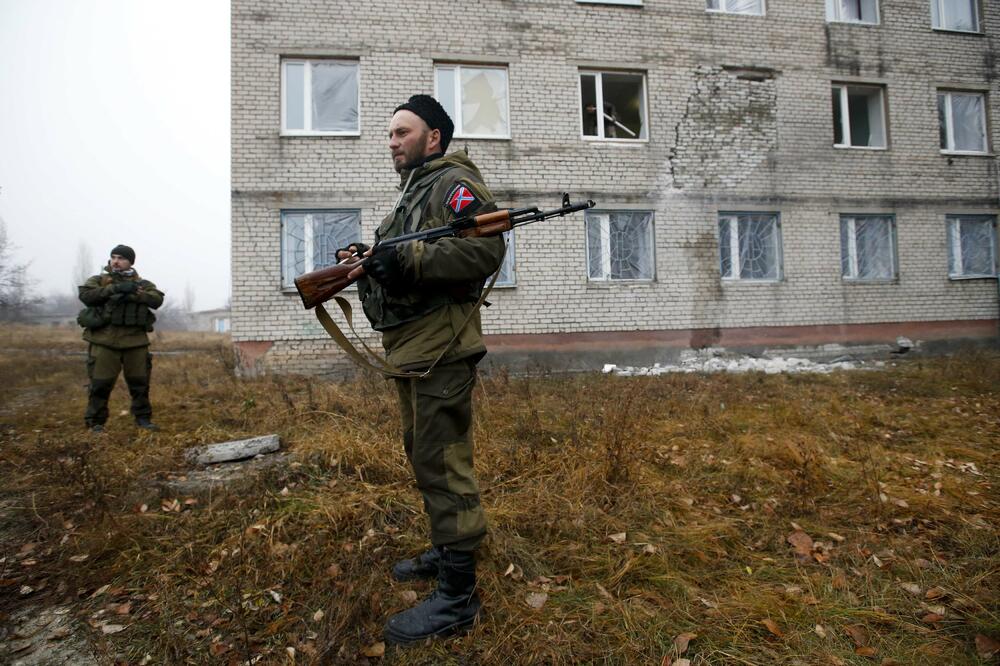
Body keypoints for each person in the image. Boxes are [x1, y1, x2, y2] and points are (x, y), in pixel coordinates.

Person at [337, 94, 504, 645]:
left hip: (441, 344)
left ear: (433, 137)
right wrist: (370, 257)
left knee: (443, 459)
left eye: (402, 132)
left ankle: (459, 597)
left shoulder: (452, 183)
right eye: (389, 134)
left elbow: (485, 252)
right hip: (413, 347)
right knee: (423, 452)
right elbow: (403, 257)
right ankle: (445, 547)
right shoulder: (413, 194)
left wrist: (406, 260)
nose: (391, 142)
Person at [78, 245, 164, 432]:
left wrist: (136, 294)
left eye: (121, 258)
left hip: (135, 342)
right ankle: (95, 422)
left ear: (130, 262)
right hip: (105, 341)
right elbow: (86, 296)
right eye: (113, 257)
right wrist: (114, 289)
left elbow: (156, 299)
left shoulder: (142, 284)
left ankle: (143, 419)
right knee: (100, 385)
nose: (116, 261)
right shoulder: (99, 280)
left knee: (140, 385)